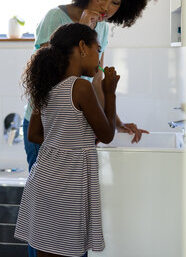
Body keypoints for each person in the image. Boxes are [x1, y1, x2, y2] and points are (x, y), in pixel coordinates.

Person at [14, 23, 119, 257]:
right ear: (82, 47)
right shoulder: (81, 87)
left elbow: (33, 134)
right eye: (97, 48)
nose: (99, 56)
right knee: (68, 250)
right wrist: (110, 92)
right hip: (68, 187)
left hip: (44, 181)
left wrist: (68, 142)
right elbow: (106, 135)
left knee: (47, 249)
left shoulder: (47, 87)